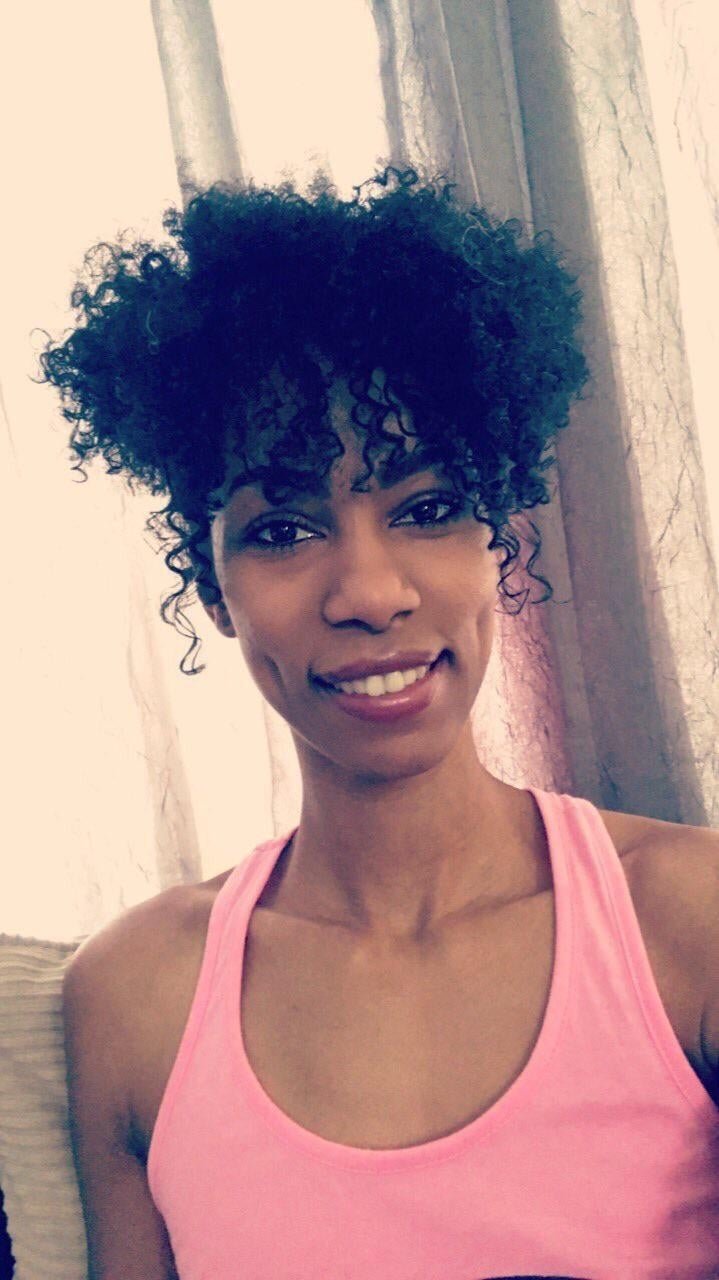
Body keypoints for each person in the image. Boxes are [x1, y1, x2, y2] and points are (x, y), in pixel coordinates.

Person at [42, 167, 718, 1279]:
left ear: (494, 542)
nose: (368, 591)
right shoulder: (133, 997)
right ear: (211, 586)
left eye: (428, 508)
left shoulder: (691, 921)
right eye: (283, 528)